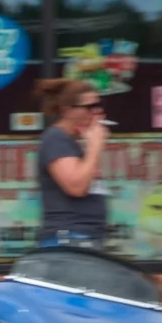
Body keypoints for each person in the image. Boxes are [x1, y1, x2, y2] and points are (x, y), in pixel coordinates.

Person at [34, 78, 110, 249]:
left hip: (86, 238)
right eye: (89, 107)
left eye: (99, 105)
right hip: (68, 238)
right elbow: (76, 187)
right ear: (67, 111)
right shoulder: (56, 139)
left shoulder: (74, 143)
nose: (96, 112)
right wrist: (95, 146)